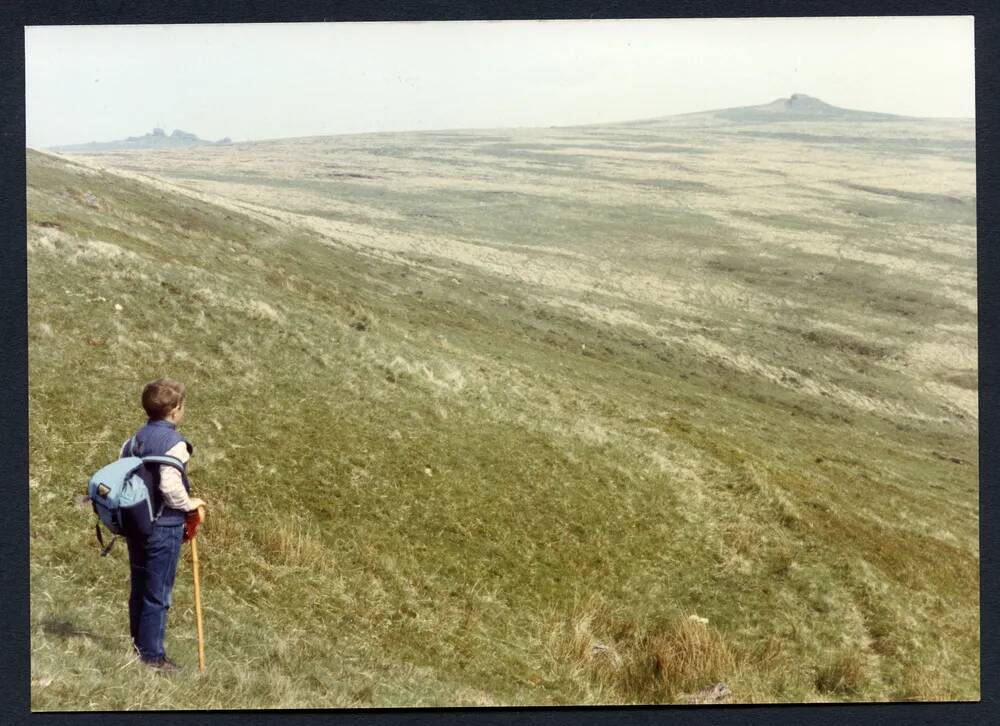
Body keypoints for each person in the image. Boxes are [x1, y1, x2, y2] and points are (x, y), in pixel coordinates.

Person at [121, 378, 206, 671]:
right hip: (165, 525)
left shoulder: (133, 440)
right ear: (175, 411)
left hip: (136, 524)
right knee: (158, 592)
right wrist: (189, 504)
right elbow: (170, 486)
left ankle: (138, 647)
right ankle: (153, 657)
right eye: (183, 407)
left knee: (140, 587)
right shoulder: (176, 444)